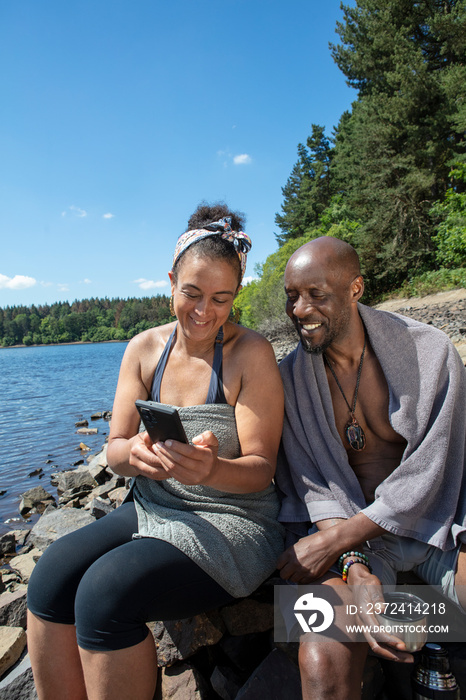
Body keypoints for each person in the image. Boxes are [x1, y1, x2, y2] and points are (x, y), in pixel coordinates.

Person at [27, 203, 285, 700]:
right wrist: (136, 456)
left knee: (104, 596)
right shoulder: (144, 349)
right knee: (50, 577)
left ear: (236, 297)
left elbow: (260, 471)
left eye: (221, 298)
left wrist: (212, 468)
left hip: (233, 519)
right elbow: (116, 450)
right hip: (153, 504)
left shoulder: (251, 354)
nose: (204, 311)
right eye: (191, 293)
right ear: (170, 281)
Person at [275, 236, 466, 700]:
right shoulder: (289, 378)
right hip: (351, 540)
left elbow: (435, 469)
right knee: (321, 652)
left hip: (438, 524)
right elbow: (311, 478)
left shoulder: (431, 351)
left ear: (355, 288)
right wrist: (355, 567)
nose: (300, 310)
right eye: (291, 296)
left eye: (316, 294)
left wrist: (334, 543)